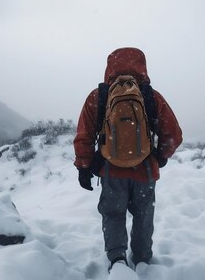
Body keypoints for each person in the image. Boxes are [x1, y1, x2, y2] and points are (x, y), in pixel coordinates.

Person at [73, 47, 183, 271]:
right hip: (145, 171)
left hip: (110, 171)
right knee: (143, 217)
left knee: (113, 214)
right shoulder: (151, 96)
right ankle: (143, 262)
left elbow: (84, 135)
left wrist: (84, 166)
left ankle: (117, 260)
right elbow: (174, 134)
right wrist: (160, 156)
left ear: (109, 67)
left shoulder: (99, 96)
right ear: (142, 66)